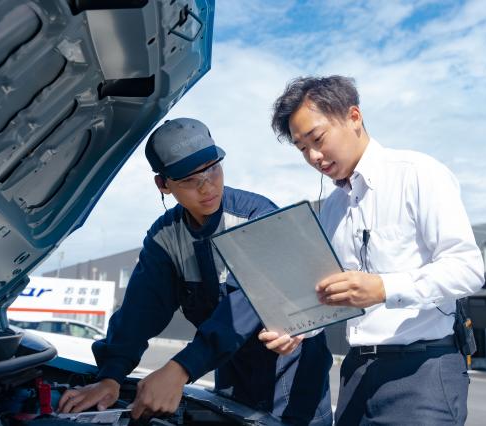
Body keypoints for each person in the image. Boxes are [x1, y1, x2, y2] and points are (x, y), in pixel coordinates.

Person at [58, 118, 333, 425]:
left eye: (213, 168)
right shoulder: (166, 238)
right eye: (190, 180)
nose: (207, 186)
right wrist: (110, 376)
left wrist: (180, 368)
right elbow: (140, 311)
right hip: (230, 371)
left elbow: (247, 305)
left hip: (292, 375)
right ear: (164, 184)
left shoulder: (257, 217)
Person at [260, 76, 485, 425]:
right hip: (356, 372)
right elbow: (332, 297)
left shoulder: (419, 174)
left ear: (354, 117)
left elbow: (467, 269)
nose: (314, 156)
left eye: (317, 139)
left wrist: (383, 288)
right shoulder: (332, 208)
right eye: (302, 148)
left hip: (422, 371)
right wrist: (298, 331)